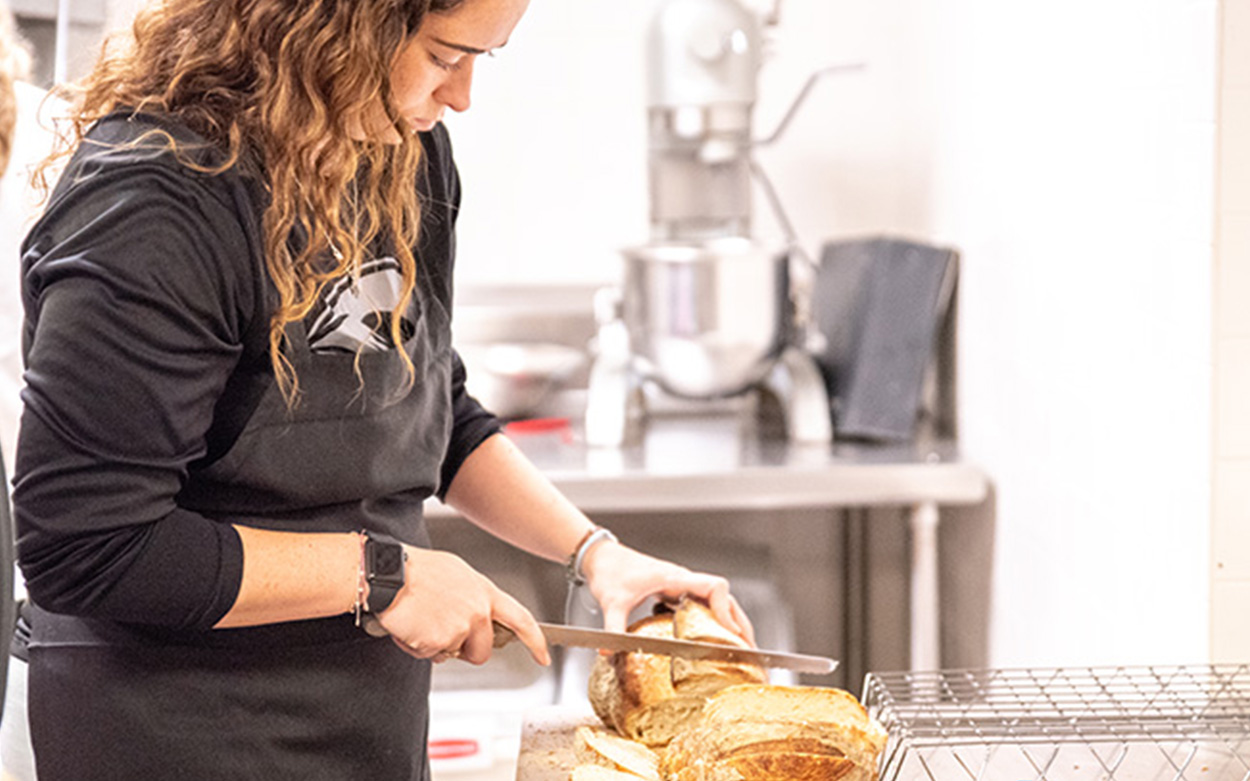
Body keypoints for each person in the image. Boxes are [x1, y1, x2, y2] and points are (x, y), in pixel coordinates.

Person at [10, 0, 756, 779]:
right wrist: (379, 573)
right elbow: (86, 543)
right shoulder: (158, 200)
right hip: (171, 728)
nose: (462, 94)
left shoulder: (398, 148)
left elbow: (429, 406)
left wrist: (595, 553)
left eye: (482, 59)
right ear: (340, 22)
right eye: (443, 56)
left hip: (363, 720)